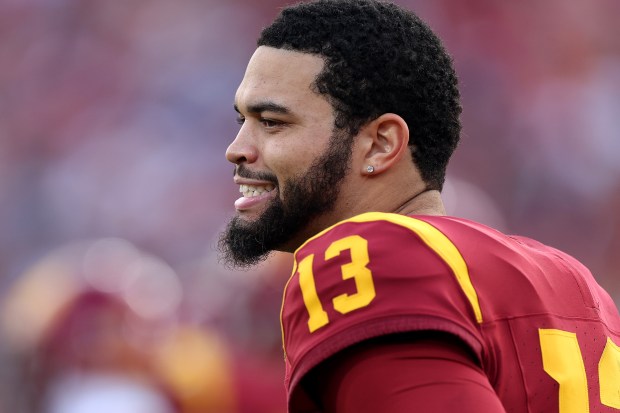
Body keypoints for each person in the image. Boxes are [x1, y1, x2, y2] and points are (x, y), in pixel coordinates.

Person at [219, 0, 620, 412]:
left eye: (272, 121)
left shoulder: (364, 255)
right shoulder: (575, 281)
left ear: (380, 143)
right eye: (241, 122)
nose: (236, 150)